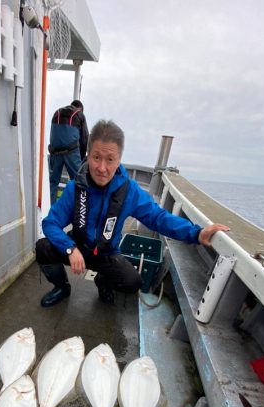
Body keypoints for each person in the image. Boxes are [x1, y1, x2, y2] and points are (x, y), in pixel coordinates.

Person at [36, 119, 230, 308]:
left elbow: (158, 218)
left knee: (132, 282)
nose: (102, 168)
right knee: (43, 247)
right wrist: (70, 249)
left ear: (119, 159)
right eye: (96, 157)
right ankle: (62, 287)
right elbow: (50, 223)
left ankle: (103, 282)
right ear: (88, 155)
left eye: (110, 159)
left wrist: (196, 233)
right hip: (77, 246)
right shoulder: (74, 188)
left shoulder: (130, 191)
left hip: (106, 253)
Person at [48, 100, 89, 206]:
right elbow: (84, 138)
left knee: (53, 182)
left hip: (55, 152)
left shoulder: (57, 112)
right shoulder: (79, 114)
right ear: (81, 109)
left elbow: (53, 134)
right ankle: (78, 209)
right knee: (78, 182)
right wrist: (82, 157)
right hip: (71, 152)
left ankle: (50, 209)